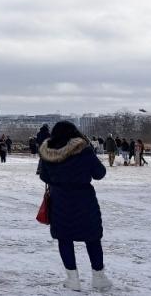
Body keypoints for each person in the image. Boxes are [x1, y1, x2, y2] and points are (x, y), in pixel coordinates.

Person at [38, 120, 112, 292]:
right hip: (84, 199)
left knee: (64, 238)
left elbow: (44, 176)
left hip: (59, 199)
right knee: (92, 237)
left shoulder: (48, 153)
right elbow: (100, 173)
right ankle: (98, 277)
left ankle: (72, 279)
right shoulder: (84, 150)